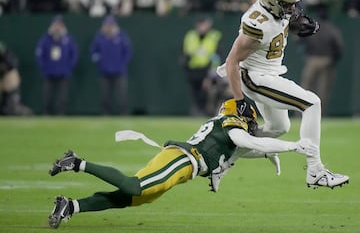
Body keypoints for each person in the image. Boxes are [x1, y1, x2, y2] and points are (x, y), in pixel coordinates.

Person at [47, 98, 316, 228]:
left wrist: (271, 153)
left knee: (134, 198)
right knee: (134, 187)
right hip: (182, 159)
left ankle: (71, 206)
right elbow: (251, 142)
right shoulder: (231, 124)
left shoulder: (227, 129)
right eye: (251, 120)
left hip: (185, 164)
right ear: (243, 115)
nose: (252, 125)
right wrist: (292, 145)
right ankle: (76, 163)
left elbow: (245, 150)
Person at [216, 0, 349, 188]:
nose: (292, 9)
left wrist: (299, 26)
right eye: (287, 5)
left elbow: (281, 25)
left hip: (270, 74)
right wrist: (239, 100)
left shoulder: (275, 11)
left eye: (293, 4)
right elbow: (232, 61)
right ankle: (316, 171)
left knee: (278, 127)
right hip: (255, 77)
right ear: (272, 2)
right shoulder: (257, 22)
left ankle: (225, 157)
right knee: (311, 102)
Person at [300, 6, 343, 116]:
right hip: (326, 60)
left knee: (305, 89)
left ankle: (301, 114)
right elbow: (339, 47)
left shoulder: (312, 28)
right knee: (323, 91)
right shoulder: (332, 29)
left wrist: (306, 53)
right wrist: (333, 59)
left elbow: (300, 40)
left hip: (312, 60)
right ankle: (319, 115)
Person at [35, 15, 78, 115]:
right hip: (49, 72)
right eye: (55, 24)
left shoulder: (68, 38)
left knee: (62, 97)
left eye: (59, 24)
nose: (57, 27)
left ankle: (61, 115)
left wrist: (68, 67)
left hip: (63, 73)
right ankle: (47, 114)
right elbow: (39, 54)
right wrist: (44, 67)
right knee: (47, 96)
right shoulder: (46, 38)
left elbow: (74, 53)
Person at [90, 15, 132, 115]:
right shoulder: (99, 37)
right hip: (104, 71)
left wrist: (121, 63)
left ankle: (123, 113)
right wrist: (99, 61)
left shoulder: (121, 36)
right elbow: (93, 51)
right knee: (105, 95)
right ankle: (105, 113)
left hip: (119, 71)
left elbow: (128, 52)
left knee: (121, 94)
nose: (109, 27)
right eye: (107, 25)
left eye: (111, 25)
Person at [180, 16, 222, 116]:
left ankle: (207, 111)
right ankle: (198, 111)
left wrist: (211, 73)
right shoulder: (190, 36)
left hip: (207, 69)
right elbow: (185, 53)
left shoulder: (215, 36)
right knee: (195, 92)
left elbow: (217, 55)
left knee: (207, 92)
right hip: (193, 69)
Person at [0, 41, 32, 115]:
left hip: (9, 82)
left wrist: (3, 68)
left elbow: (12, 65)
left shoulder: (8, 56)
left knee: (11, 102)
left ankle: (22, 112)